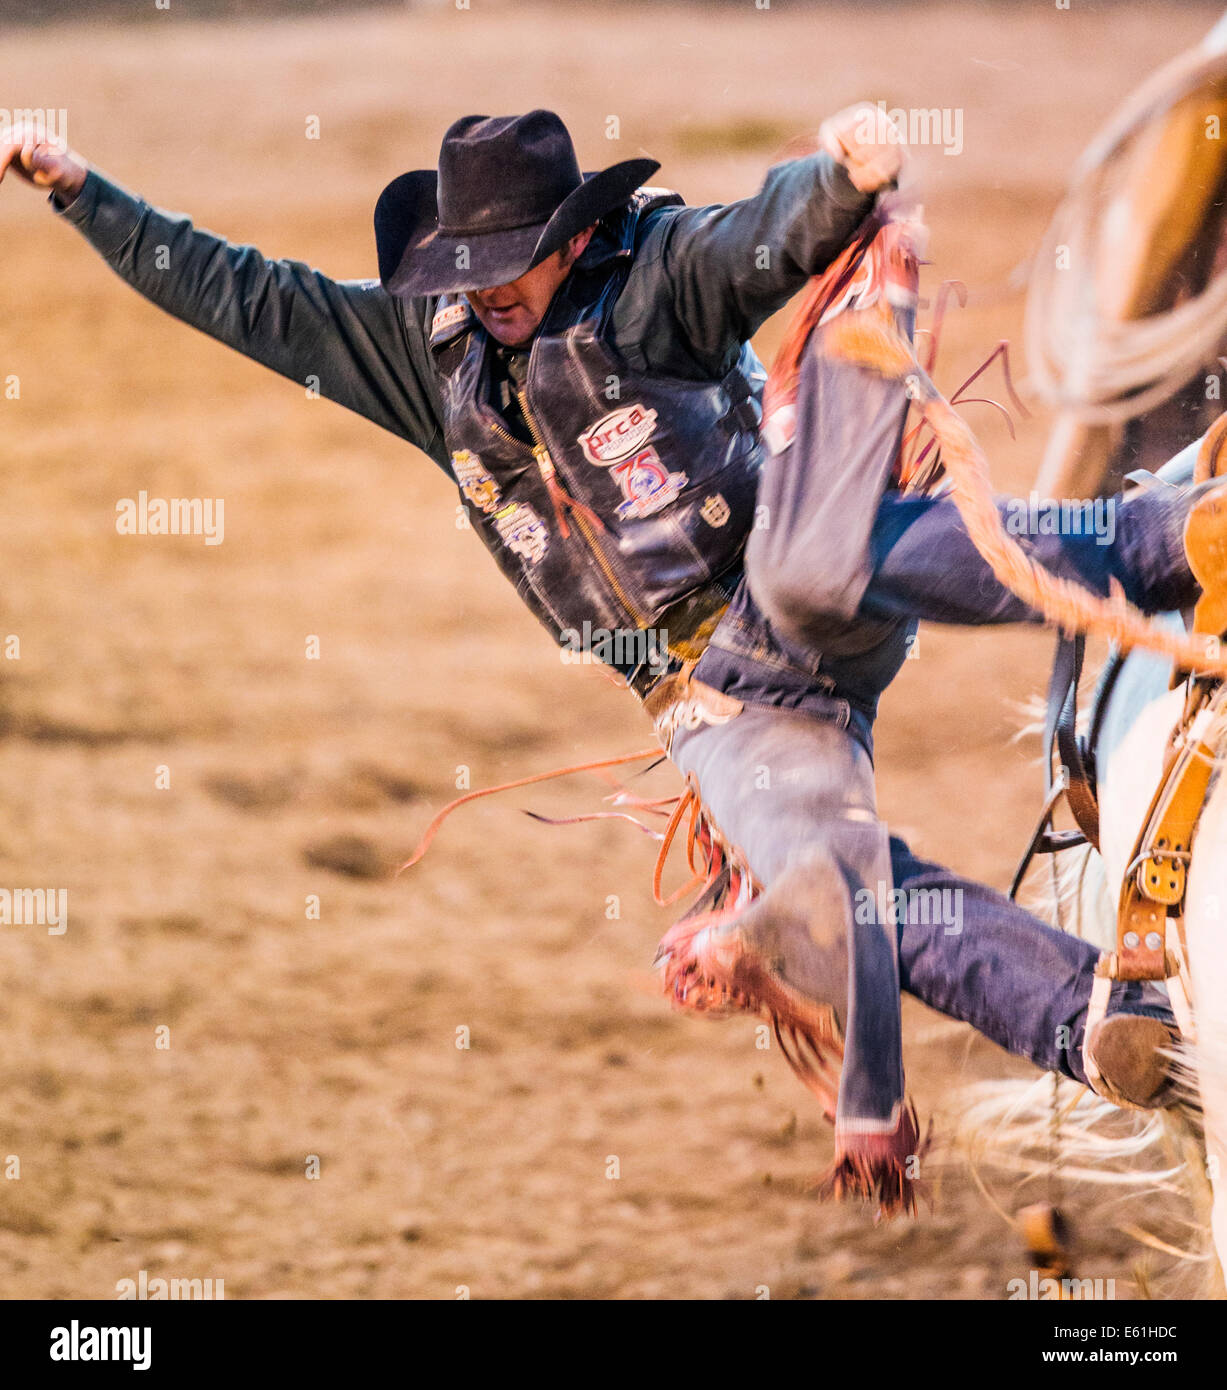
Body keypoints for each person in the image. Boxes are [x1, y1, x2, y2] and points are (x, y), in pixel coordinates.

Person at [3, 106, 1212, 1210]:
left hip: (792, 584)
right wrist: (83, 193)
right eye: (460, 272)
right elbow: (249, 298)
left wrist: (843, 182)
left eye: (505, 263)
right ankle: (1099, 1016)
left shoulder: (657, 281)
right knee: (826, 885)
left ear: (573, 240)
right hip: (715, 706)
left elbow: (760, 240)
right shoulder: (423, 366)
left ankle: (1175, 539)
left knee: (820, 553)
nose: (483, 294)